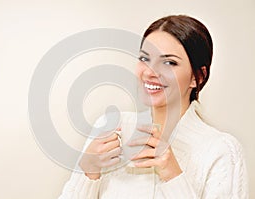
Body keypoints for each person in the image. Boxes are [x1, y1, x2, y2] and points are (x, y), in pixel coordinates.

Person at [59, 15, 248, 198]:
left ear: (197, 76)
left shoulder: (221, 151)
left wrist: (173, 176)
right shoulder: (112, 128)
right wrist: (88, 172)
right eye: (144, 58)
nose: (150, 72)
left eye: (169, 62)